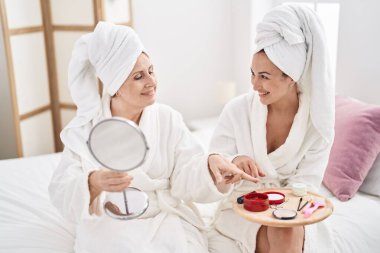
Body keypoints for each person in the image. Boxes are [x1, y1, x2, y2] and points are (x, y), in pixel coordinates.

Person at [48, 22, 256, 253]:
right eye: (139, 76)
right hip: (112, 218)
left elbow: (186, 172)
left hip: (164, 214)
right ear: (115, 86)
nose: (151, 81)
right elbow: (60, 187)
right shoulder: (86, 129)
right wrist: (92, 183)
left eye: (151, 70)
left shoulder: (167, 119)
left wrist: (210, 166)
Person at [207, 4, 335, 253]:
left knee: (285, 231)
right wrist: (234, 161)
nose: (254, 84)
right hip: (244, 204)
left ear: (291, 77)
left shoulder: (316, 123)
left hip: (293, 208)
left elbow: (306, 184)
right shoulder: (237, 110)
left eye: (264, 76)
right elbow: (215, 162)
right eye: (252, 73)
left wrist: (281, 207)